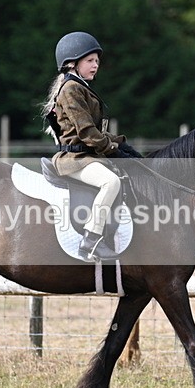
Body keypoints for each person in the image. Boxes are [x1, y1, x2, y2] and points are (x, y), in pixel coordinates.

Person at [41, 31, 132, 262]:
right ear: (72, 63)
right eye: (90, 61)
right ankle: (91, 241)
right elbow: (87, 132)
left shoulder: (80, 87)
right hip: (75, 159)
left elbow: (96, 132)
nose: (95, 66)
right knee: (110, 182)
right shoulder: (72, 89)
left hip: (87, 155)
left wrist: (122, 145)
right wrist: (112, 150)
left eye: (97, 62)